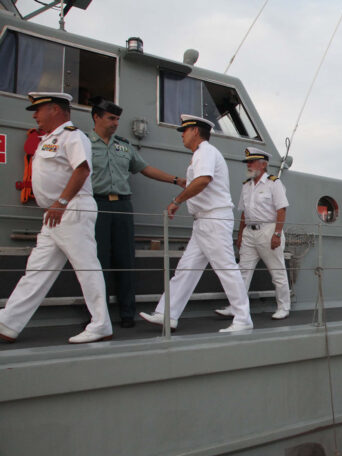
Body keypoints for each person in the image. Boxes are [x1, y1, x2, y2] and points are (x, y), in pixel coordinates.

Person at [0, 92, 112, 344]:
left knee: (86, 267)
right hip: (55, 214)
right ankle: (8, 323)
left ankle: (101, 324)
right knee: (37, 270)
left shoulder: (73, 136)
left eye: (39, 110)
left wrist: (61, 202)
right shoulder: (47, 139)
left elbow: (82, 169)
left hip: (70, 209)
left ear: (55, 110)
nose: (36, 116)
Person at [139, 115, 252, 332]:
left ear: (196, 132)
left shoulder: (205, 152)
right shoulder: (200, 154)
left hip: (213, 219)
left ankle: (243, 318)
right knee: (186, 269)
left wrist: (176, 201)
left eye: (185, 130)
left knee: (226, 268)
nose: (182, 134)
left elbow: (203, 180)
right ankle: (167, 314)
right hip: (204, 221)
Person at [88, 98, 186, 328]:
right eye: (111, 118)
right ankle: (97, 316)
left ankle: (127, 313)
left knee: (125, 260)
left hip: (122, 207)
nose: (116, 123)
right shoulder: (83, 142)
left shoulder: (123, 145)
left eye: (117, 119)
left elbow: (145, 168)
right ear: (96, 117)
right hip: (95, 205)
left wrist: (175, 179)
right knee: (95, 262)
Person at [215, 147, 290, 320]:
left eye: (251, 162)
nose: (248, 165)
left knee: (277, 272)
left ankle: (284, 307)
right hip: (249, 232)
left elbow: (281, 209)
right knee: (242, 272)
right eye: (247, 162)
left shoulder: (274, 183)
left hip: (268, 230)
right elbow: (244, 212)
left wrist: (277, 234)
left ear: (263, 165)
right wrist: (240, 235)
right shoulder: (246, 185)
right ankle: (236, 307)